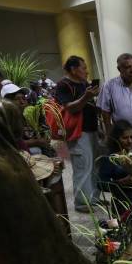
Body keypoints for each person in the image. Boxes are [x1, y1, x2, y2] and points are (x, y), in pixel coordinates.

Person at [55, 55, 102, 212]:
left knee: (94, 165)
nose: (86, 71)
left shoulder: (83, 84)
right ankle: (82, 203)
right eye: (83, 67)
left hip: (91, 129)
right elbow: (70, 107)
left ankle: (94, 199)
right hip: (78, 132)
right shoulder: (63, 85)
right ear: (74, 69)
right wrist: (87, 96)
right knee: (83, 166)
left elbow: (87, 105)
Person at [99, 120, 132, 215]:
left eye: (131, 137)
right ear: (116, 139)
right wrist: (121, 182)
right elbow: (101, 183)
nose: (129, 141)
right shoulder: (110, 157)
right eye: (125, 138)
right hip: (122, 203)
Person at [2, 82, 51, 156]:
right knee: (36, 150)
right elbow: (12, 143)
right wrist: (37, 141)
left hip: (31, 150)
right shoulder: (7, 120)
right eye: (17, 99)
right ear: (7, 102)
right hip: (18, 155)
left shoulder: (26, 115)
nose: (22, 102)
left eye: (23, 98)